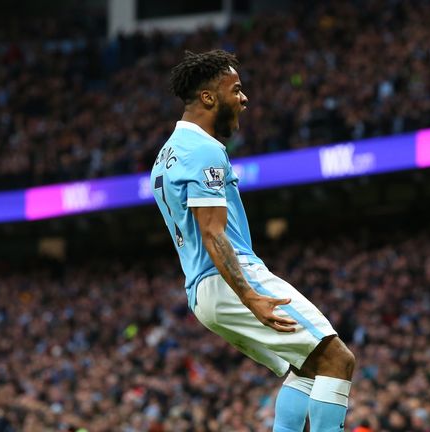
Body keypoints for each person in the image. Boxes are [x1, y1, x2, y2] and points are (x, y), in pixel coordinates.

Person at [150, 49, 356, 431]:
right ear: (209, 98)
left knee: (308, 369)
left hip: (201, 291)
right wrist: (250, 296)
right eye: (236, 90)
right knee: (338, 360)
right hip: (230, 279)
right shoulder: (204, 150)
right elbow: (212, 231)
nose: (244, 99)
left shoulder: (167, 155)